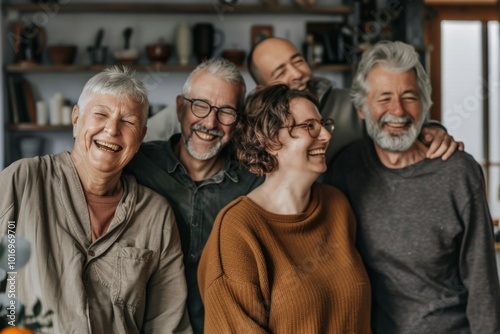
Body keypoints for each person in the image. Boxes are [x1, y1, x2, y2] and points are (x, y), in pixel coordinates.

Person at [0, 67, 192, 333]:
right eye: (101, 114)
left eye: (128, 122)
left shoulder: (155, 214)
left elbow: (167, 322)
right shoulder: (21, 181)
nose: (112, 129)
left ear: (141, 138)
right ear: (76, 119)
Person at [327, 40, 500, 333]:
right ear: (360, 108)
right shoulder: (346, 169)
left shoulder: (458, 172)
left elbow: (482, 279)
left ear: (425, 104)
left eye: (409, 96)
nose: (398, 110)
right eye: (384, 98)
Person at [198, 84, 371, 333]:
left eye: (324, 124)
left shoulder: (337, 205)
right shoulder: (236, 230)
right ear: (269, 141)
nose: (325, 135)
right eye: (309, 126)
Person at [125, 58, 262, 334]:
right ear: (180, 107)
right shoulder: (135, 165)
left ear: (237, 122)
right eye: (200, 105)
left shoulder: (255, 184)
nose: (210, 122)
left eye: (226, 112)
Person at [247, 36, 464, 165]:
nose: (297, 74)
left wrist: (432, 129)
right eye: (280, 72)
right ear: (262, 89)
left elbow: (398, 121)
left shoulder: (351, 103)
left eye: (297, 61)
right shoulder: (255, 127)